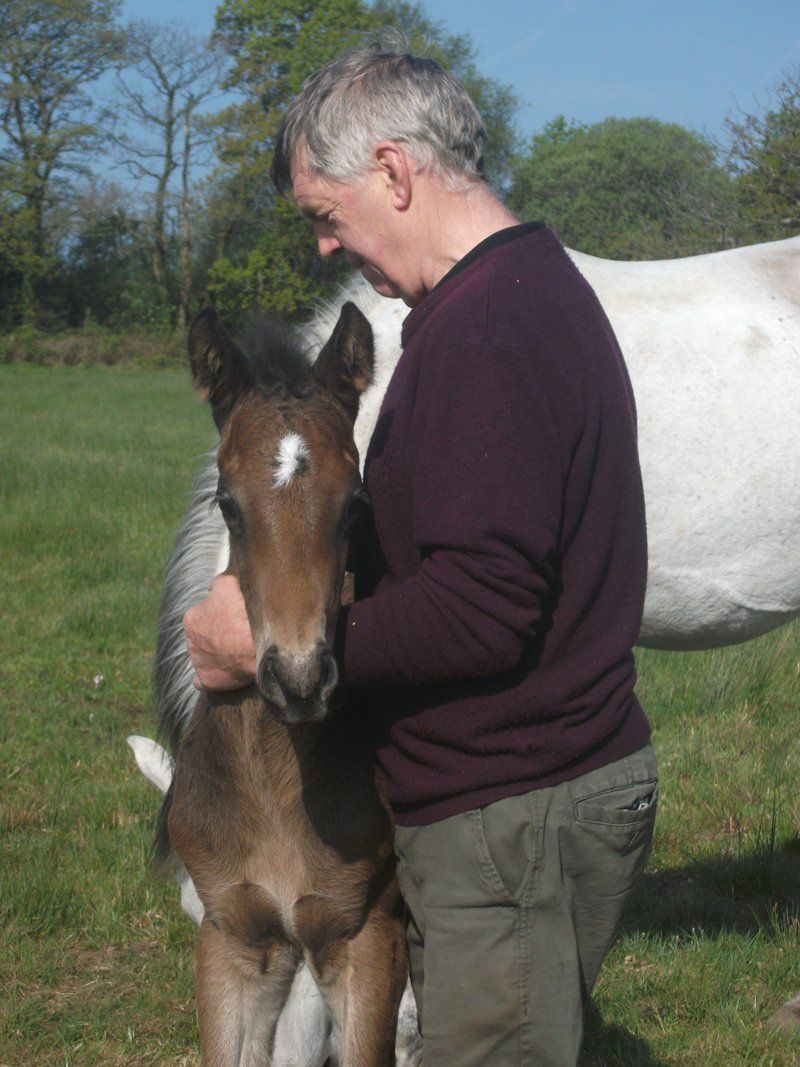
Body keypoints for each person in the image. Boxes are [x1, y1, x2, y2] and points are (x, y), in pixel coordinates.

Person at [184, 37, 658, 1067]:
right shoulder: (499, 301)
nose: (321, 247)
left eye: (324, 213)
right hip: (511, 810)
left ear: (393, 171)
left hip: (515, 817)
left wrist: (271, 642)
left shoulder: (492, 330)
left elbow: (483, 604)